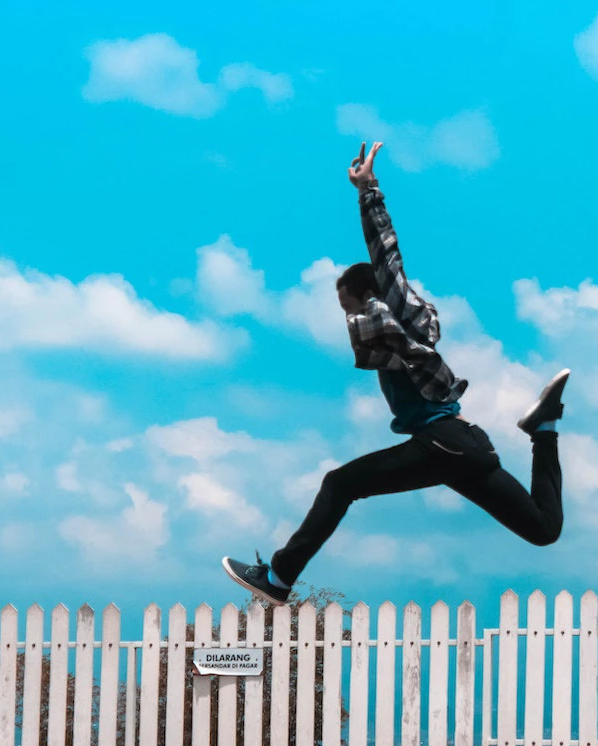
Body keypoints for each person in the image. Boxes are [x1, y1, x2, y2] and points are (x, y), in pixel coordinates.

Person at [222, 141, 568, 605]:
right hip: (463, 447)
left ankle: (279, 579)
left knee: (339, 484)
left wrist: (368, 190)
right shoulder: (390, 337)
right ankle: (543, 429)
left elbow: (387, 255)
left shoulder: (397, 309)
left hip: (443, 442)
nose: (347, 315)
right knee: (543, 530)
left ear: (368, 292)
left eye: (347, 303)